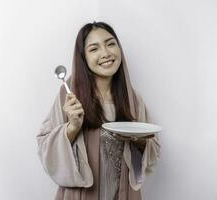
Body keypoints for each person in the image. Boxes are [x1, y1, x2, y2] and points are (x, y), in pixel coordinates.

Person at [36, 21, 160, 200]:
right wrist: (71, 128)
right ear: (83, 57)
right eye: (94, 49)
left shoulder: (132, 99)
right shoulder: (70, 93)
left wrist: (139, 142)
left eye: (110, 44)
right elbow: (44, 145)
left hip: (123, 193)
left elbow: (152, 151)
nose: (106, 53)